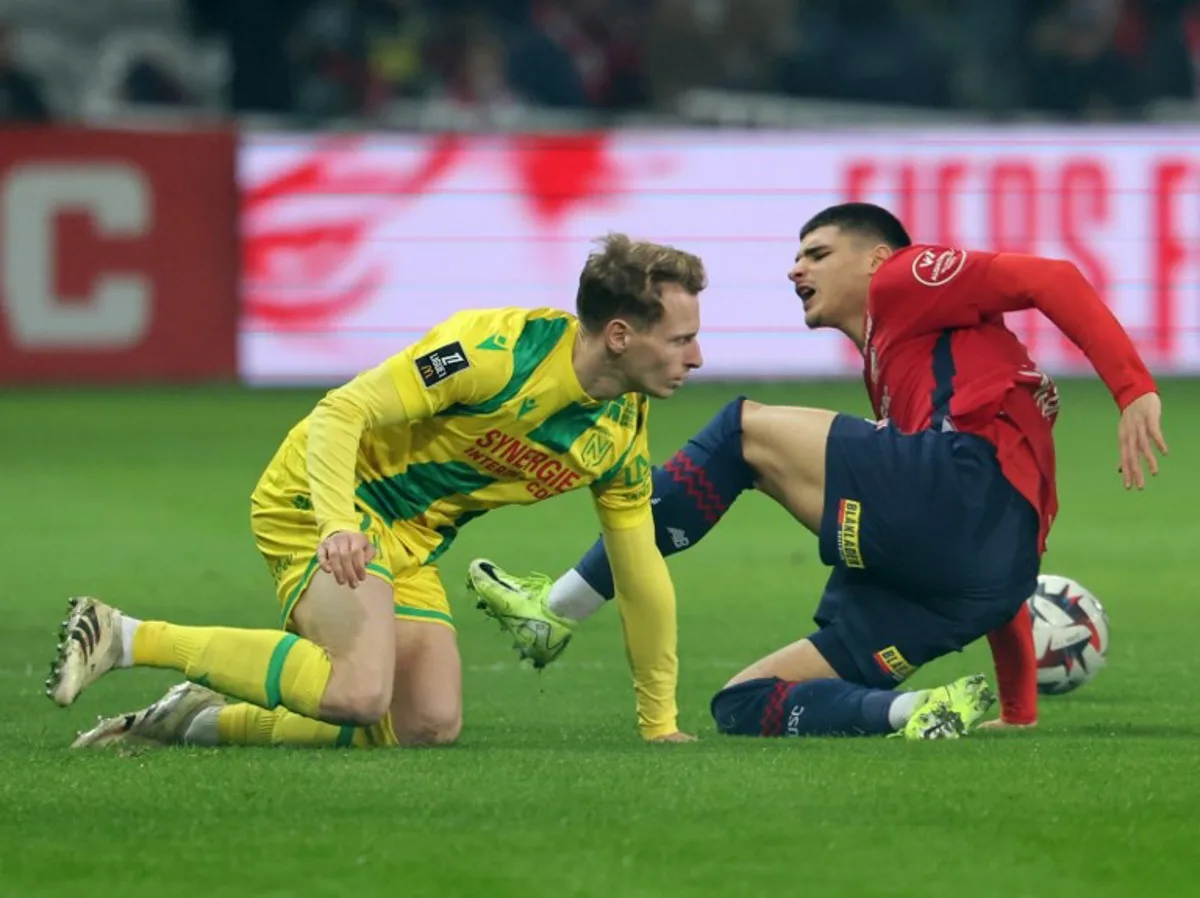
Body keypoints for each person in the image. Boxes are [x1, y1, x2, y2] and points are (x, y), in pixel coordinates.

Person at [467, 203, 1167, 740]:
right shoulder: (901, 368)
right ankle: (913, 711)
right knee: (744, 702)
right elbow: (996, 547)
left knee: (739, 433)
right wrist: (1019, 710)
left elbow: (1053, 277)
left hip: (960, 497)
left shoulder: (905, 277)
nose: (795, 269)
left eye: (817, 253)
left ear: (878, 259)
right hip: (980, 576)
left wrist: (1133, 389)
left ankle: (554, 611)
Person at [51, 233, 706, 750]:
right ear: (620, 334)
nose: (696, 357)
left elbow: (639, 567)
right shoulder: (493, 352)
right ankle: (125, 636)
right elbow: (343, 411)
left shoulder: (621, 428)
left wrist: (660, 720)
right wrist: (338, 522)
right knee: (361, 693)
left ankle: (197, 721)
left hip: (408, 542)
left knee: (426, 725)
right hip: (325, 497)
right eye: (681, 339)